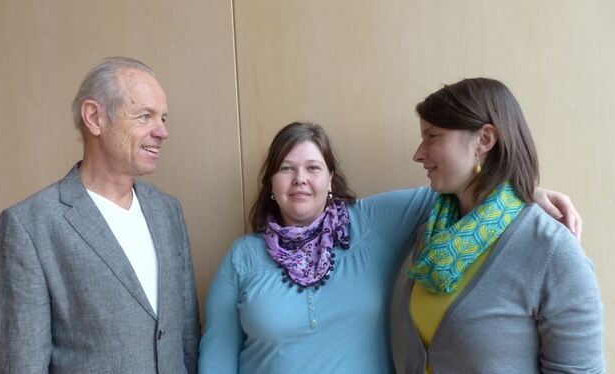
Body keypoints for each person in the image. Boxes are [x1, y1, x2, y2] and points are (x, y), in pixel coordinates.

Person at [199, 121, 580, 373]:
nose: (300, 179)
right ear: (271, 184)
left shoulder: (369, 224)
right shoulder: (243, 256)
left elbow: (462, 189)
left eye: (313, 168)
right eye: (286, 168)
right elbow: (216, 358)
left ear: (330, 179)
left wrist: (527, 193)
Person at [0, 57, 200, 373]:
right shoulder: (29, 227)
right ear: (95, 118)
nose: (162, 132)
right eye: (145, 116)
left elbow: (186, 338)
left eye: (163, 118)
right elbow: (20, 364)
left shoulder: (168, 212)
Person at [391, 78, 604, 373]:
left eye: (433, 136)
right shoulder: (434, 233)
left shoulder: (551, 250)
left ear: (485, 139)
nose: (418, 153)